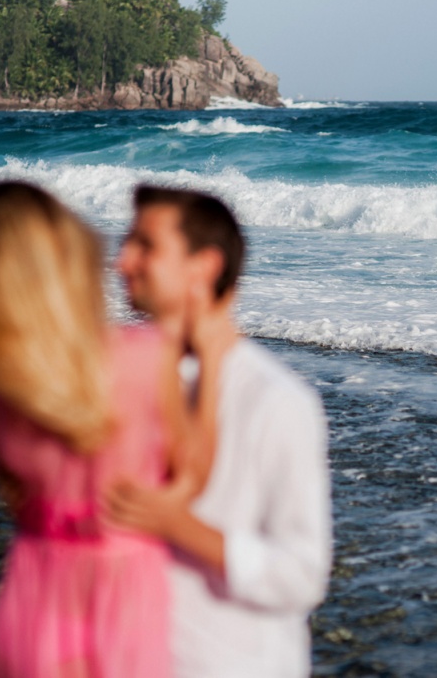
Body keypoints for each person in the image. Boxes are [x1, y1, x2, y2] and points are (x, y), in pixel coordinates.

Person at [0, 181, 178, 678]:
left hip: (37, 588)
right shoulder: (147, 357)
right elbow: (192, 471)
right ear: (76, 262)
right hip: (127, 592)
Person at [107, 185, 332, 678]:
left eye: (145, 245)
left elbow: (301, 575)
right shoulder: (118, 379)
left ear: (204, 266)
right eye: (127, 242)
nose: (122, 261)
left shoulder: (276, 400)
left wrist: (179, 527)